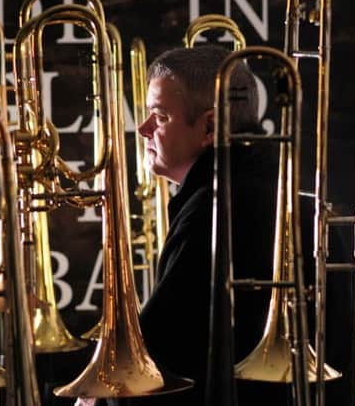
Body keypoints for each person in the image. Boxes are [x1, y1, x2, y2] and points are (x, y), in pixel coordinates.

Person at [76, 43, 287, 406]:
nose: (142, 129)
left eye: (159, 117)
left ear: (209, 126)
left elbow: (156, 359)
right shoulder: (278, 186)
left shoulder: (213, 208)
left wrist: (95, 397)